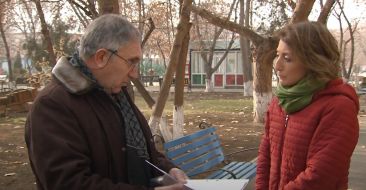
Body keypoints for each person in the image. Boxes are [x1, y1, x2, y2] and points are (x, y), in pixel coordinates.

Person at [25, 14, 188, 190]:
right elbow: (68, 183)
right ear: (101, 57)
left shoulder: (113, 90)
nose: (134, 74)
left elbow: (140, 150)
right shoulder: (52, 106)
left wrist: (168, 169)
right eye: (131, 62)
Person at [256, 21, 359, 190]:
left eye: (287, 58)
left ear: (313, 61)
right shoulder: (280, 101)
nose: (277, 66)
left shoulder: (338, 107)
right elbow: (265, 156)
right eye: (277, 55)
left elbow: (320, 176)